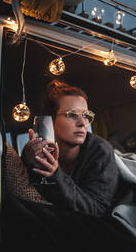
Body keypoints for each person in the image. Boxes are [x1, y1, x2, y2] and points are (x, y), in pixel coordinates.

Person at [20, 79, 119, 216]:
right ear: (51, 120)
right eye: (72, 114)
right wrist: (27, 161)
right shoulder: (38, 152)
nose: (82, 123)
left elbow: (97, 209)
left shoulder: (101, 150)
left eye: (86, 115)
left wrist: (56, 176)